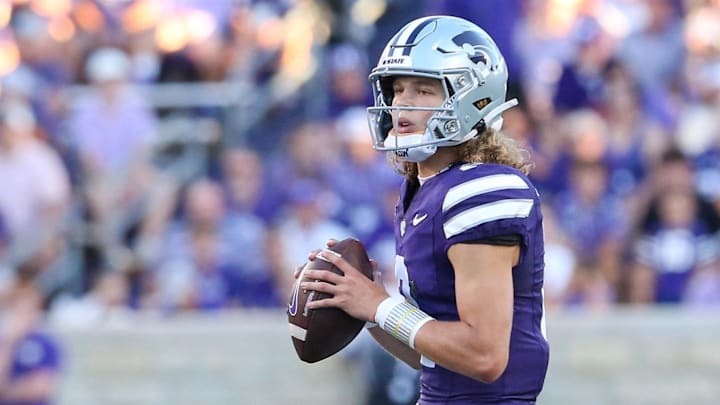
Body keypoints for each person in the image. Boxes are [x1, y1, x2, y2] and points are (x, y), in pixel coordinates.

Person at [297, 16, 549, 404]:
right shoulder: (421, 191)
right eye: (397, 89)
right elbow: (431, 357)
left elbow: (484, 356)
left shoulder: (481, 191)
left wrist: (380, 306)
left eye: (423, 89)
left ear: (472, 97)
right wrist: (364, 306)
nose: (401, 104)